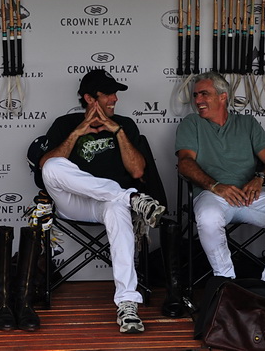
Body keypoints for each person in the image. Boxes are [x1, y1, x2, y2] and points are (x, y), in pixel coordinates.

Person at [39, 69, 166, 334]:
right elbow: (44, 166)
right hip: (74, 202)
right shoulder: (65, 124)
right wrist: (77, 133)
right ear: (89, 98)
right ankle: (131, 198)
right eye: (107, 94)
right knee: (52, 166)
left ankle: (127, 303)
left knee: (117, 209)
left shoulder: (125, 124)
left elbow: (138, 171)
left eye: (115, 93)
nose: (114, 99)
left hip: (108, 205)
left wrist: (117, 131)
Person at [175, 71, 265, 282]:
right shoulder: (192, 123)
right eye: (196, 95)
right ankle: (226, 282)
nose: (198, 100)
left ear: (222, 96)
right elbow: (185, 163)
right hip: (212, 195)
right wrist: (215, 186)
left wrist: (260, 178)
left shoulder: (247, 123)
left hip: (248, 195)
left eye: (204, 94)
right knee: (208, 217)